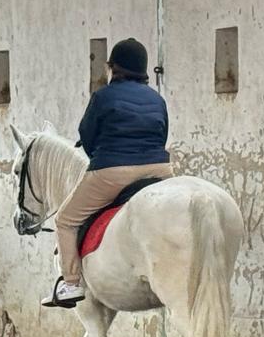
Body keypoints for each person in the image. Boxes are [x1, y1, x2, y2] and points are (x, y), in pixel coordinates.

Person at [44, 37, 173, 308]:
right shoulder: (157, 99)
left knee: (65, 221)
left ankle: (70, 284)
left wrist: (103, 157)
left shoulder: (103, 96)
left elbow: (87, 137)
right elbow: (162, 135)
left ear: (113, 67)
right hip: (159, 170)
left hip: (114, 171)